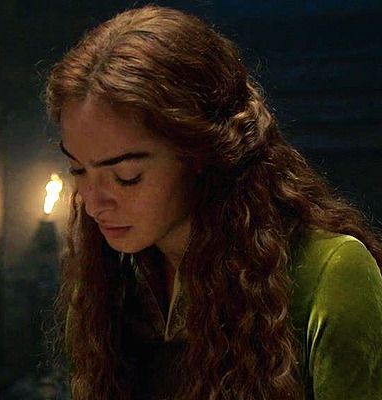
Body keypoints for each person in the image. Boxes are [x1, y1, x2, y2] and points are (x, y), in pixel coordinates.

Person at [44, 5, 382, 400]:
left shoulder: (329, 273)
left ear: (200, 153)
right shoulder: (109, 285)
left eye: (127, 176)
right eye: (78, 170)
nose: (93, 203)